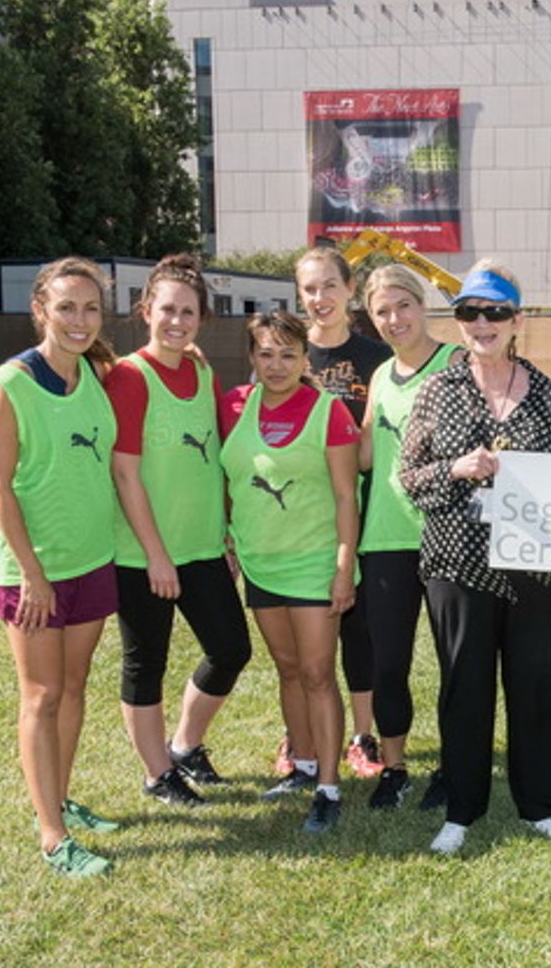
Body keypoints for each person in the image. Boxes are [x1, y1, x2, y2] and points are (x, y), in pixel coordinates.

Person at [400, 260, 551, 855]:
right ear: (458, 322)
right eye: (470, 313)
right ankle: (461, 808)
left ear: (516, 320)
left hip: (531, 562)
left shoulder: (548, 394)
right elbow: (408, 475)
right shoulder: (437, 391)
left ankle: (543, 805)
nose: (482, 324)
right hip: (458, 562)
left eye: (495, 312)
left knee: (539, 684)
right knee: (465, 686)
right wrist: (454, 469)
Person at [0, 257, 122, 876]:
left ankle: (60, 800)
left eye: (90, 308)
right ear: (40, 310)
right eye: (66, 307)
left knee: (73, 685)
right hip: (33, 573)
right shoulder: (12, 381)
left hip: (92, 559)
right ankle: (51, 834)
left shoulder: (95, 371)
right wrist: (32, 574)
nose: (79, 320)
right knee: (41, 695)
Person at [105, 254, 252, 808]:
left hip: (203, 546)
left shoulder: (202, 371)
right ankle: (156, 773)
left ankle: (185, 746)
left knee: (231, 649)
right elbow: (125, 473)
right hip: (143, 554)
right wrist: (156, 555)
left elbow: (214, 456)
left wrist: (226, 531)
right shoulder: (129, 376)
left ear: (202, 318)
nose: (177, 321)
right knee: (146, 664)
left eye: (188, 312)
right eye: (167, 309)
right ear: (146, 310)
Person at [219, 310, 360, 834]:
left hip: (315, 564)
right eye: (266, 354)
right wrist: (227, 538)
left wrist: (343, 567)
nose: (276, 365)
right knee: (287, 668)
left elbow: (346, 497)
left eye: (288, 354)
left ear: (305, 359)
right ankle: (301, 763)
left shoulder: (329, 412)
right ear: (252, 357)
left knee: (318, 674)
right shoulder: (234, 405)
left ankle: (328, 786)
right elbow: (226, 478)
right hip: (261, 563)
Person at [356, 264, 458, 809]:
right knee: (388, 662)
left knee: (454, 662)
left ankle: (454, 766)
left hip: (447, 537)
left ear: (422, 305)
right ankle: (394, 769)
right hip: (386, 537)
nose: (394, 319)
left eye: (403, 305)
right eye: (382, 311)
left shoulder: (457, 363)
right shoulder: (379, 376)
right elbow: (365, 452)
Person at [293, 246, 392, 779]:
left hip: (363, 511)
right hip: (302, 519)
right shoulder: (287, 352)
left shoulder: (376, 357)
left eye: (329, 285)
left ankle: (362, 735)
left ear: (350, 289)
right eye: (309, 288)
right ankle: (301, 734)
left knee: (360, 629)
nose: (320, 297)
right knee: (304, 639)